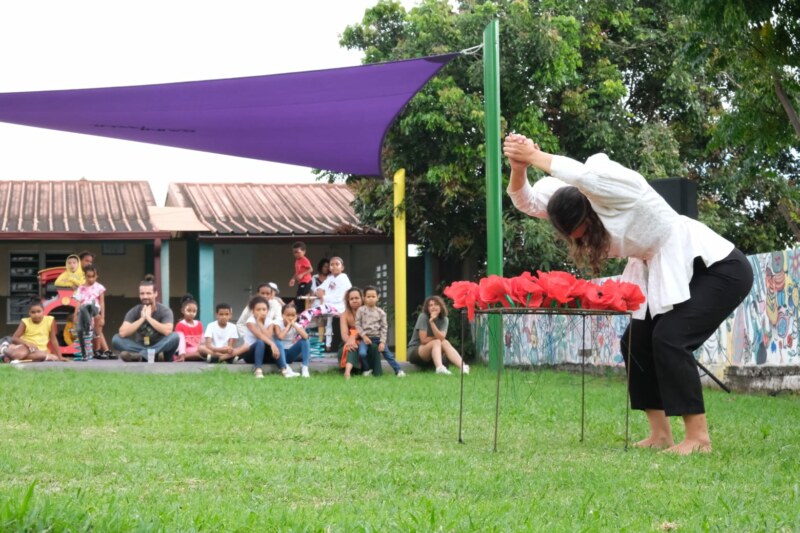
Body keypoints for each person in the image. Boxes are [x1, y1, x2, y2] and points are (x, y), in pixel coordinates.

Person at [503, 133, 754, 455]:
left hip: (715, 266)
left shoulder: (617, 189)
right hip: (660, 267)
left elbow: (581, 175)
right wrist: (519, 165)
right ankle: (660, 434)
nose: (582, 241)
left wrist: (533, 155)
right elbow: (525, 200)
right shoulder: (564, 201)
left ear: (589, 211)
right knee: (635, 342)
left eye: (584, 231)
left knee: (670, 338)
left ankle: (698, 439)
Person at [112, 274, 180, 362]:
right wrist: (142, 319)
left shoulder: (165, 311)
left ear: (155, 294)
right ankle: (150, 354)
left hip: (161, 346)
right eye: (142, 294)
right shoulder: (135, 311)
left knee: (175, 337)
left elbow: (167, 331)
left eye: (148, 293)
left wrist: (149, 318)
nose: (145, 296)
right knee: (116, 339)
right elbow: (122, 333)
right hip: (141, 345)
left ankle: (143, 355)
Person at [297, 257, 351, 351]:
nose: (334, 266)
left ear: (342, 267)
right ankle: (327, 346)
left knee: (307, 314)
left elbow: (339, 297)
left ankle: (298, 338)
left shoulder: (344, 278)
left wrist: (324, 296)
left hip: (339, 308)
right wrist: (320, 291)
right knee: (326, 325)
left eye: (337, 264)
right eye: (332, 265)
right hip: (329, 306)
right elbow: (318, 289)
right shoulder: (330, 278)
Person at [408, 295, 468, 376]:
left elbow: (442, 338)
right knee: (437, 342)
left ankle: (463, 367)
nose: (433, 307)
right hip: (416, 351)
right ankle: (439, 368)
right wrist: (431, 322)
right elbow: (423, 340)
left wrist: (432, 324)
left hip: (433, 353)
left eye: (436, 304)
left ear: (441, 306)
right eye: (430, 305)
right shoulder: (423, 317)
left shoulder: (445, 319)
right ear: (427, 308)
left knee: (445, 342)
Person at [356, 286, 405, 378]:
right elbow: (357, 325)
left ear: (377, 297)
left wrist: (382, 342)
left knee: (388, 355)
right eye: (368, 296)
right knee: (362, 353)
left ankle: (398, 370)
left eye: (373, 296)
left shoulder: (381, 312)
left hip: (378, 338)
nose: (371, 299)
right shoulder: (361, 310)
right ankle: (367, 369)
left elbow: (384, 328)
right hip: (365, 338)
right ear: (364, 298)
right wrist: (364, 336)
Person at [242, 296, 296, 378]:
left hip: (264, 355)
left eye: (264, 309)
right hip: (250, 354)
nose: (261, 312)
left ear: (267, 311)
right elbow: (260, 336)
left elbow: (268, 336)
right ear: (253, 311)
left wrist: (260, 323)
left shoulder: (270, 322)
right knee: (260, 342)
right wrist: (272, 344)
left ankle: (283, 369)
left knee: (277, 343)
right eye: (258, 309)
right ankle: (258, 370)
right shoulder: (250, 321)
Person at [338, 287, 381, 379]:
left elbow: (370, 330)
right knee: (351, 347)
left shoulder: (369, 312)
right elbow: (344, 335)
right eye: (351, 299)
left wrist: (354, 337)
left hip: (366, 339)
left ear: (362, 298)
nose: (354, 301)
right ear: (348, 301)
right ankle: (348, 372)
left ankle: (375, 372)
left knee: (373, 346)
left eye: (357, 298)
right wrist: (350, 341)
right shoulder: (344, 315)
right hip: (347, 342)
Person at [72, 264, 112, 360]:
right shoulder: (81, 288)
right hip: (84, 312)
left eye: (93, 276)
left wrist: (103, 317)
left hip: (95, 311)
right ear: (84, 276)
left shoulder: (99, 287)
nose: (91, 279)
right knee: (88, 331)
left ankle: (98, 350)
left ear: (97, 276)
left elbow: (102, 303)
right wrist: (75, 315)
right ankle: (95, 350)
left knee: (98, 330)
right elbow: (78, 302)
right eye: (88, 277)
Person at [272, 303, 312, 378]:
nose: (290, 317)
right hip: (279, 353)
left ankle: (305, 367)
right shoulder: (277, 323)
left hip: (290, 353)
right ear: (283, 315)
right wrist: (288, 325)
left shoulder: (296, 325)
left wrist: (293, 324)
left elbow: (306, 336)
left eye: (293, 315)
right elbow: (280, 337)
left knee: (305, 341)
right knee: (278, 342)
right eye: (288, 315)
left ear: (296, 316)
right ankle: (286, 368)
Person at [174, 294, 203, 362]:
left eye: (194, 311)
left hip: (198, 348)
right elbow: (181, 341)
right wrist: (182, 354)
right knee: (199, 353)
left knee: (203, 350)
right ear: (182, 311)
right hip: (186, 350)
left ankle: (211, 356)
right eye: (189, 311)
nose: (191, 313)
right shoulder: (180, 325)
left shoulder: (199, 324)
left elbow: (202, 340)